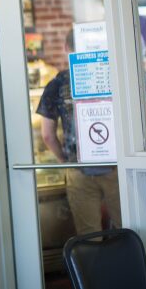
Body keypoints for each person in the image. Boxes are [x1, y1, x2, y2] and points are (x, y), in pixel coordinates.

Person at [36, 32, 121, 236]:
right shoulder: (113, 77)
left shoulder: (57, 84)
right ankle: (129, 265)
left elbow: (47, 134)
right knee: (127, 229)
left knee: (89, 236)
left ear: (66, 48)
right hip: (117, 166)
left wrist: (65, 160)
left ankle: (93, 269)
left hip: (78, 168)